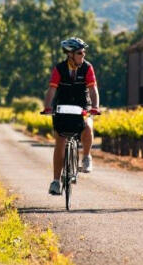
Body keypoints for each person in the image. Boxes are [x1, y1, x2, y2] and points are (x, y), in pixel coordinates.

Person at [42, 37, 100, 195]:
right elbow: (52, 90)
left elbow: (93, 89)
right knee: (60, 140)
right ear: (70, 54)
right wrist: (47, 107)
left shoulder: (87, 68)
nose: (83, 55)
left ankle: (87, 157)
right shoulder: (59, 69)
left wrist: (95, 107)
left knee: (87, 126)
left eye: (84, 52)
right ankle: (55, 181)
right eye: (80, 53)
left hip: (82, 104)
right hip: (62, 105)